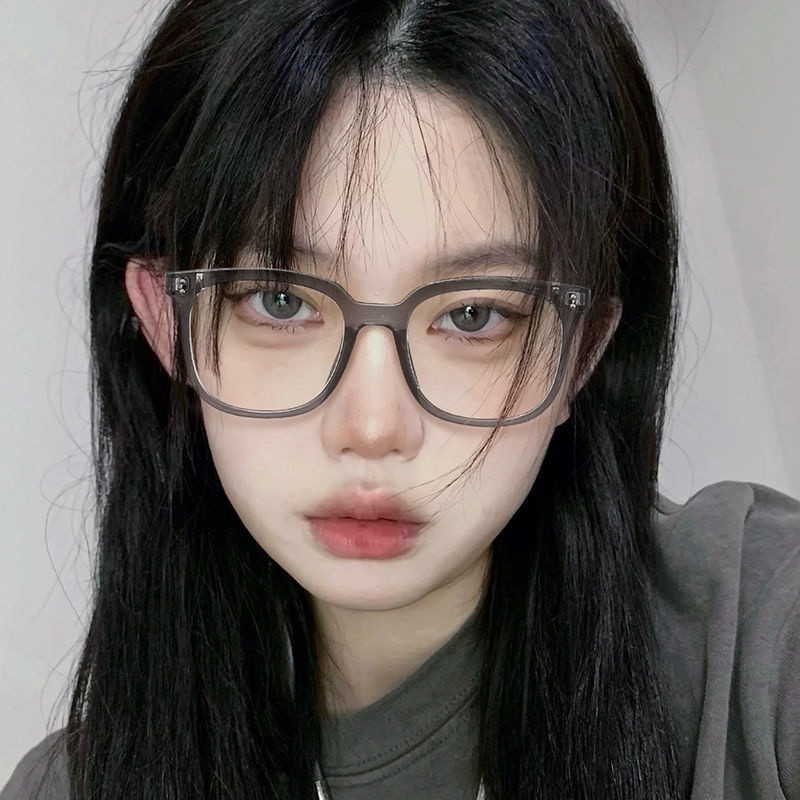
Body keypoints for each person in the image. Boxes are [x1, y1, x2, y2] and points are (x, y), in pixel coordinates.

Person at [2, 0, 798, 798]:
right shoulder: (74, 786)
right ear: (163, 322)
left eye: (473, 314)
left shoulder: (758, 641)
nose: (374, 426)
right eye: (281, 300)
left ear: (582, 351)